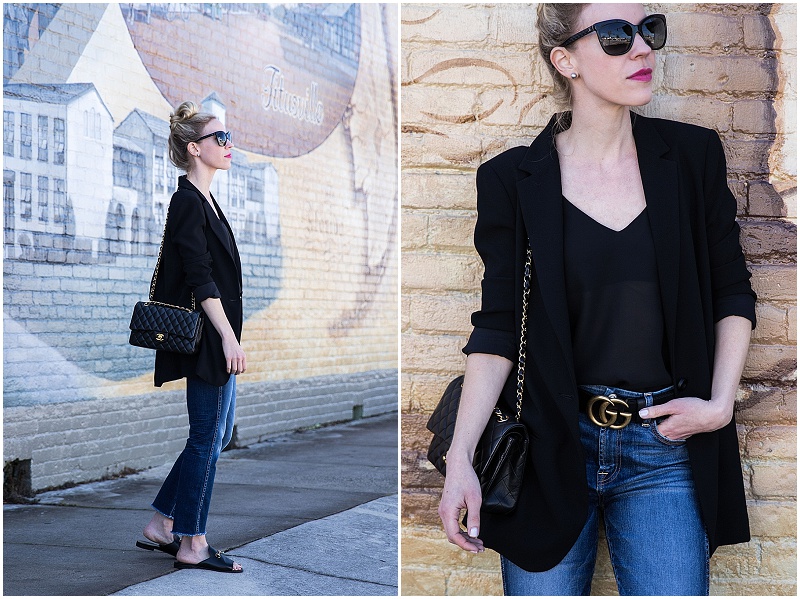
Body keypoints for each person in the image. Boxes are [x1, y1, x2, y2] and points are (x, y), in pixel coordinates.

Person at [438, 4, 756, 595]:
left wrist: (718, 405)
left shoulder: (690, 159)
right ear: (566, 61)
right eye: (615, 36)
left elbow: (732, 290)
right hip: (550, 445)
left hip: (666, 446)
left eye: (649, 30)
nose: (641, 49)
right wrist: (461, 459)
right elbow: (498, 327)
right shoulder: (513, 179)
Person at [135, 101, 246, 574]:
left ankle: (163, 522)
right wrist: (227, 337)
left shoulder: (206, 200)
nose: (229, 145)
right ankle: (192, 542)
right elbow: (201, 278)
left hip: (218, 338)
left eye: (228, 137)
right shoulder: (187, 202)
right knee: (206, 438)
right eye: (220, 138)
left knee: (215, 435)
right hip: (208, 340)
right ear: (194, 148)